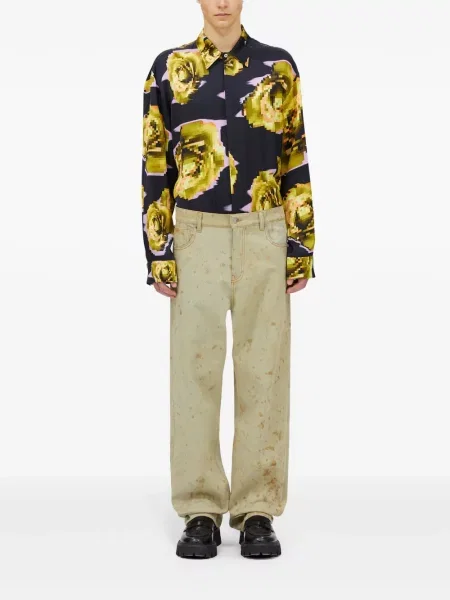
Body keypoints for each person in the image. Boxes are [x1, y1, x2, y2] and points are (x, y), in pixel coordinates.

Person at [141, 0, 316, 559]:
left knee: (265, 367)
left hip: (265, 231)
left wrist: (300, 245)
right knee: (194, 369)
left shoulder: (278, 67)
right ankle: (199, 507)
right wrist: (159, 251)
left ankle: (257, 507)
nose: (221, 3)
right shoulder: (168, 69)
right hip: (195, 234)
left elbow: (294, 157)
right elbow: (155, 165)